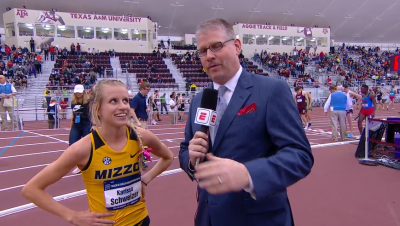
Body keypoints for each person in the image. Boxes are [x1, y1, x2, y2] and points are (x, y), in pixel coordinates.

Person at [178, 18, 313, 226]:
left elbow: (300, 155)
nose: (209, 56)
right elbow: (185, 148)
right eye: (203, 51)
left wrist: (248, 174)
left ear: (237, 46)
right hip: (209, 217)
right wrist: (191, 158)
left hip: (259, 219)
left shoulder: (271, 90)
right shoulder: (199, 100)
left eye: (216, 46)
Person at [22, 79, 174, 226]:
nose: (123, 106)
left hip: (141, 220)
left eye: (125, 100)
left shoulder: (140, 135)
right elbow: (31, 189)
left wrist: (145, 179)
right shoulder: (83, 148)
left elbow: (168, 157)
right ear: (97, 109)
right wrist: (73, 216)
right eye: (113, 101)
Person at [69, 84, 93, 174]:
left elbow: (93, 113)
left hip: (86, 124)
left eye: (79, 92)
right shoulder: (73, 102)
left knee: (88, 146)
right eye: (76, 92)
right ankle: (79, 165)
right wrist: (71, 126)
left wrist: (94, 124)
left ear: (83, 92)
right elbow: (73, 115)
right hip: (76, 125)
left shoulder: (88, 102)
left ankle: (88, 164)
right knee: (72, 144)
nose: (78, 94)